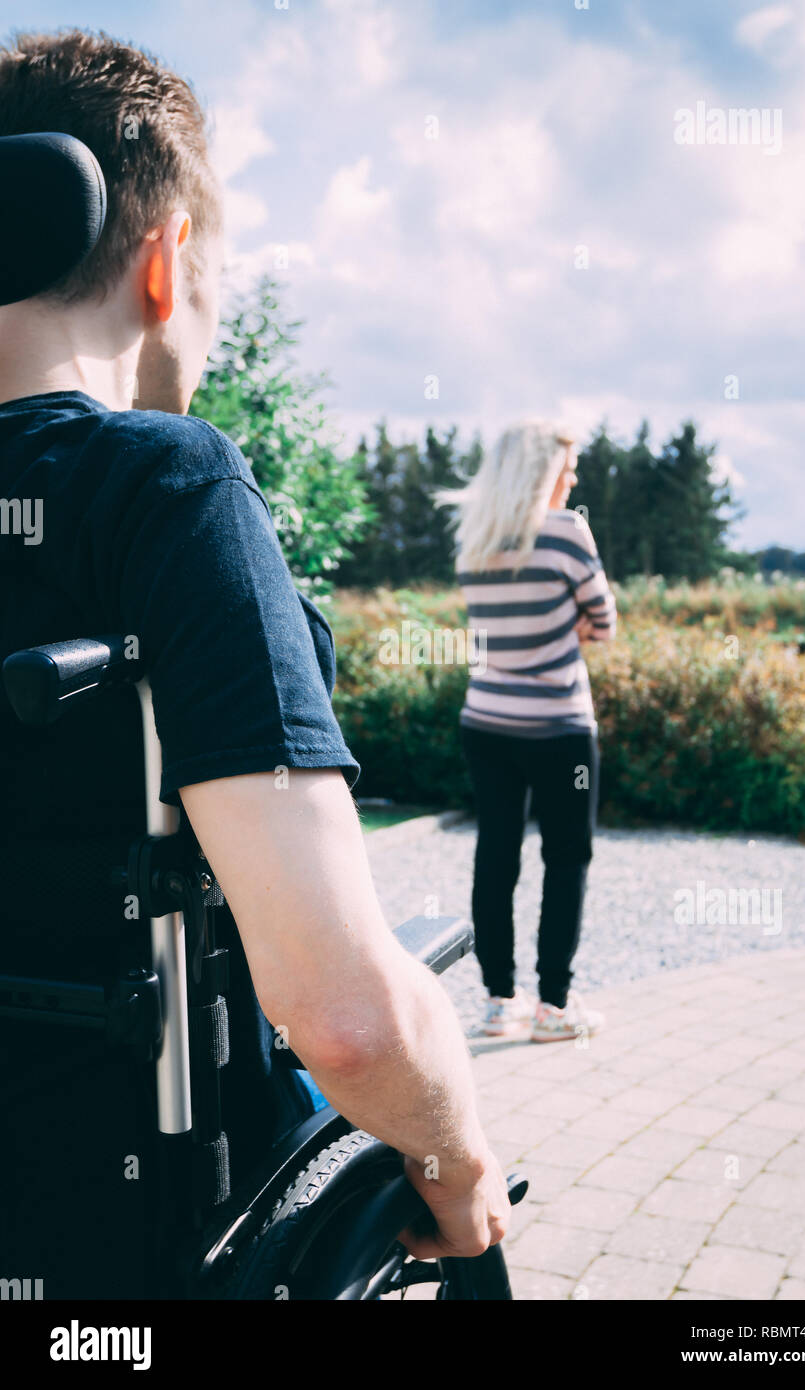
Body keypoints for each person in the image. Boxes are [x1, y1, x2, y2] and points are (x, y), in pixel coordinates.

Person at [0, 29, 508, 1298]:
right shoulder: (166, 486)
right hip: (145, 1242)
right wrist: (454, 1163)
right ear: (168, 263)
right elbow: (344, 1016)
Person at [436, 421, 617, 1042]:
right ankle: (554, 1008)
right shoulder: (567, 531)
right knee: (567, 860)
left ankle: (497, 1002)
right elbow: (604, 622)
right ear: (541, 472)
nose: (574, 478)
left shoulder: (476, 536)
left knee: (496, 857)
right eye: (566, 467)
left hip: (486, 722)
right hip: (560, 726)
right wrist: (568, 629)